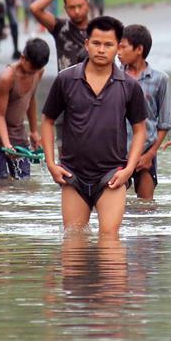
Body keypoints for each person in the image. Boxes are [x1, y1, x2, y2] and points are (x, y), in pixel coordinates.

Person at [40, 16, 148, 234]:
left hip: (112, 175)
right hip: (73, 175)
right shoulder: (66, 79)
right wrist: (51, 164)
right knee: (73, 242)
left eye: (108, 45)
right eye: (96, 43)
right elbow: (47, 120)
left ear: (118, 47)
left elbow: (139, 129)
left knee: (110, 241)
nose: (101, 50)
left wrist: (129, 169)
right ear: (86, 43)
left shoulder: (129, 86)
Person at [0, 38, 50, 180]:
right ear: (23, 58)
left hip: (17, 131)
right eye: (31, 69)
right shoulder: (8, 77)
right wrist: (7, 145)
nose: (33, 73)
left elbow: (31, 99)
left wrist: (34, 131)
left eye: (36, 70)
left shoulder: (38, 71)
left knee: (24, 180)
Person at [117, 24, 171, 200]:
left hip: (146, 152)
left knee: (146, 206)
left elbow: (164, 123)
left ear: (139, 49)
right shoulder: (115, 77)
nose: (118, 52)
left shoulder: (160, 80)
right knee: (114, 202)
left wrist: (150, 155)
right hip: (118, 153)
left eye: (123, 47)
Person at [30, 0, 90, 71]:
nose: (77, 11)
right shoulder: (60, 27)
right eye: (72, 7)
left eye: (80, 6)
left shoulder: (97, 29)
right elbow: (35, 8)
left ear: (87, 4)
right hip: (66, 79)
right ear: (65, 8)